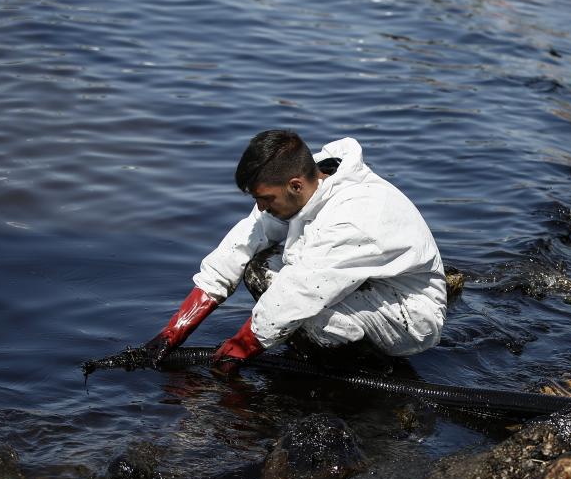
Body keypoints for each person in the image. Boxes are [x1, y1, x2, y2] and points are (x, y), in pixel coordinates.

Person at [145, 130, 447, 373]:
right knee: (259, 267)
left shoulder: (355, 215)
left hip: (410, 313)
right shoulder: (307, 182)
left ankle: (365, 369)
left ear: (295, 186)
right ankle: (322, 349)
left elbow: (300, 291)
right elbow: (240, 246)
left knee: (292, 300)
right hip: (366, 286)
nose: (261, 207)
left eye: (265, 199)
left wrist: (240, 348)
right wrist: (174, 332)